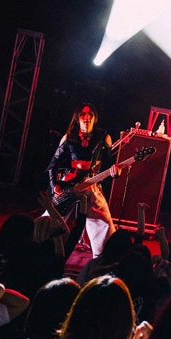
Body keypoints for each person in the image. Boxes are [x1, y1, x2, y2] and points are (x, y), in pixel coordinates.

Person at [46, 103, 119, 258]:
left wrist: (115, 172)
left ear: (95, 118)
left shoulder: (104, 138)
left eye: (90, 114)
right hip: (69, 183)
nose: (87, 118)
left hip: (92, 185)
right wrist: (54, 186)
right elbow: (53, 165)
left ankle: (102, 260)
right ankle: (40, 248)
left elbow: (110, 165)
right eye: (83, 114)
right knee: (49, 220)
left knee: (104, 224)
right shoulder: (68, 137)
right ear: (77, 118)